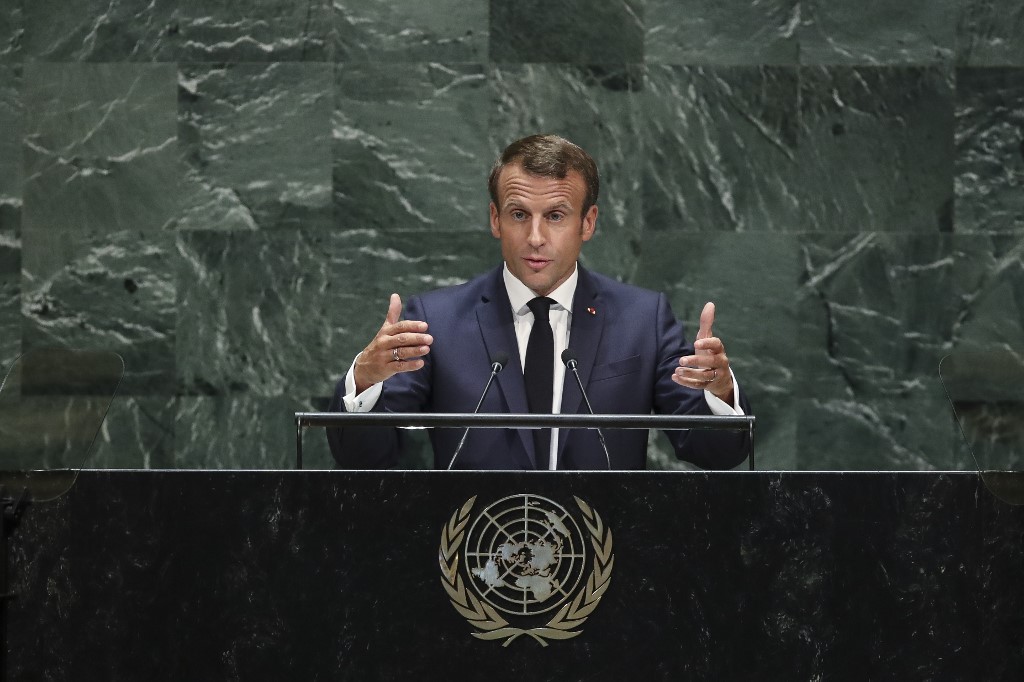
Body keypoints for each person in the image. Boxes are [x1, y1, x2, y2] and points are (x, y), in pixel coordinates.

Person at [328, 134, 751, 470]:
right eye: (518, 215)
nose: (535, 237)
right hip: (475, 559)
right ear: (495, 219)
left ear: (587, 222)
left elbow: (715, 454)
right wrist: (365, 382)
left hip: (601, 562)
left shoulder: (643, 320)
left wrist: (719, 394)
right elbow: (365, 458)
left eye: (554, 216)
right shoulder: (437, 321)